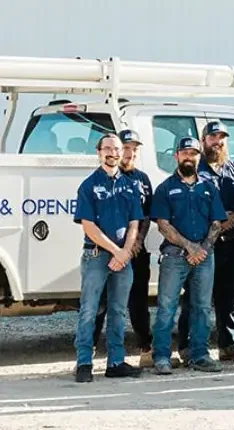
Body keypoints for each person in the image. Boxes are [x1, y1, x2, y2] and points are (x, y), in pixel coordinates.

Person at [149, 137, 226, 374]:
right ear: (177, 156)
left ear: (198, 157)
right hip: (174, 256)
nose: (189, 157)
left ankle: (200, 355)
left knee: (202, 307)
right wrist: (189, 247)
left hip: (204, 257)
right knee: (166, 307)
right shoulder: (165, 188)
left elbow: (216, 223)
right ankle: (161, 357)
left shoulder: (209, 187)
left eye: (193, 153)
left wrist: (201, 249)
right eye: (184, 153)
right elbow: (163, 224)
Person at [72, 133, 146, 382]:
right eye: (108, 149)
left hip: (123, 259)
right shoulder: (88, 185)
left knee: (118, 311)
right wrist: (117, 252)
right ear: (99, 152)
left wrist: (125, 251)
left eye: (117, 149)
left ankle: (116, 362)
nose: (113, 153)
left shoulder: (130, 185)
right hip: (96, 257)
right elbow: (88, 226)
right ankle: (84, 363)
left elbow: (135, 221)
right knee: (89, 310)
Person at [184, 121, 234, 363]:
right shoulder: (195, 171)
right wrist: (217, 222)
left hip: (233, 242)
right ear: (203, 141)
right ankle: (188, 346)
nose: (217, 142)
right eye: (212, 137)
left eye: (221, 137)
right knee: (196, 298)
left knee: (231, 298)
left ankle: (229, 345)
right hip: (204, 245)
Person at [94, 129, 154, 367]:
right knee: (101, 301)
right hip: (107, 250)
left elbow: (146, 215)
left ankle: (145, 347)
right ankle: (89, 351)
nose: (131, 153)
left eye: (135, 148)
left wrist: (137, 241)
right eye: (126, 147)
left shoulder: (142, 179)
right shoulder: (108, 177)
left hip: (136, 251)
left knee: (138, 302)